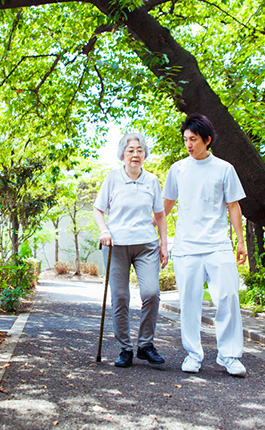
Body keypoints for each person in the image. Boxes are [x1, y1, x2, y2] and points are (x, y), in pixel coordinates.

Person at [162, 113, 249, 377]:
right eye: (186, 139)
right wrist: (152, 230)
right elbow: (165, 205)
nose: (189, 144)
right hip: (187, 247)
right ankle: (193, 354)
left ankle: (229, 355)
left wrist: (241, 242)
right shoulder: (177, 169)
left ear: (207, 140)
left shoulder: (224, 169)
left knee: (228, 297)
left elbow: (233, 206)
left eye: (194, 139)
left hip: (217, 245)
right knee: (189, 302)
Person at [93, 132, 169, 368]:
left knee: (151, 293)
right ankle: (125, 348)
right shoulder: (112, 179)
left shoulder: (152, 181)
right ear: (122, 155)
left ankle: (145, 345)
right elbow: (98, 210)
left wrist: (163, 244)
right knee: (121, 298)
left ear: (144, 154)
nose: (135, 155)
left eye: (139, 150)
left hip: (146, 244)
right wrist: (104, 230)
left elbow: (160, 215)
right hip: (116, 245)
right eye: (130, 150)